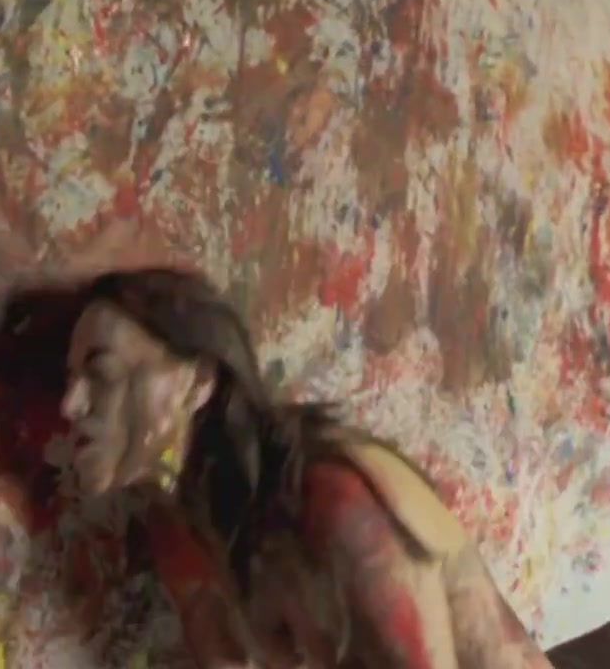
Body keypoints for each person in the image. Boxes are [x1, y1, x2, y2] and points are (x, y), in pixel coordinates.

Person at [59, 267, 555, 669]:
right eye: (70, 378)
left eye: (101, 373)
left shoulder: (337, 504)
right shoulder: (178, 524)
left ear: (198, 380)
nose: (69, 404)